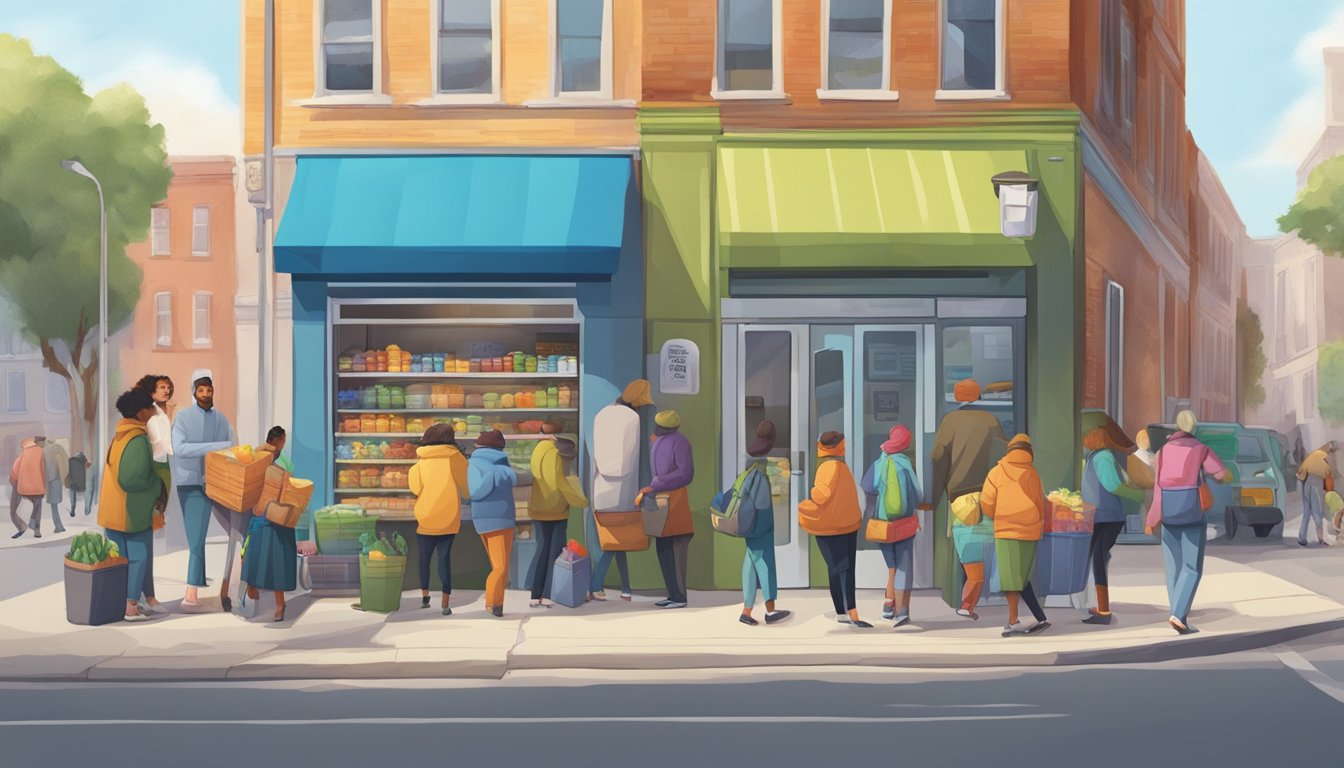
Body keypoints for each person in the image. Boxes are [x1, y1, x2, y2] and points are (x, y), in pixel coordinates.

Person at [920, 378, 1008, 620]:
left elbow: (938, 458)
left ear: (957, 398)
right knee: (990, 545)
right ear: (978, 396)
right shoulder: (991, 420)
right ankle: (984, 596)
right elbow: (1003, 452)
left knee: (965, 548)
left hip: (960, 495)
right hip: (989, 493)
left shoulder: (951, 421)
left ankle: (966, 600)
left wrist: (934, 497)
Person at [1146, 410, 1230, 635]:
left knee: (1173, 566)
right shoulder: (1200, 449)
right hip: (1191, 510)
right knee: (1191, 567)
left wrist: (1153, 516)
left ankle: (1176, 611)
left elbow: (1157, 487)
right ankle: (1179, 615)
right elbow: (1221, 474)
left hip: (1167, 511)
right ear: (1194, 428)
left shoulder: (1162, 452)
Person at [171, 369, 241, 613]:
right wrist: (217, 446)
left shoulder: (222, 420)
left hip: (219, 482)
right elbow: (179, 449)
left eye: (209, 390)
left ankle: (235, 586)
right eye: (201, 390)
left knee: (238, 531)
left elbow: (234, 447)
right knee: (197, 537)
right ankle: (191, 591)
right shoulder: (182, 418)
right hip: (191, 484)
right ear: (194, 392)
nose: (205, 394)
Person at [99, 388, 168, 622]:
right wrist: (157, 484)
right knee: (139, 557)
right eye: (150, 406)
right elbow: (131, 479)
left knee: (123, 559)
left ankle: (141, 599)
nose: (153, 409)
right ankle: (130, 606)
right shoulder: (137, 439)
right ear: (141, 413)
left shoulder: (121, 434)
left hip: (114, 509)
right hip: (131, 511)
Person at [587, 379, 654, 601]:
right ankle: (596, 585)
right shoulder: (632, 418)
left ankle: (626, 588)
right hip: (624, 488)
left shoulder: (602, 414)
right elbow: (630, 458)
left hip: (601, 486)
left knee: (617, 540)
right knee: (617, 540)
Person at [980, 433, 1050, 637]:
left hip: (1006, 529)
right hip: (1030, 530)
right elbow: (1040, 503)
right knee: (1022, 575)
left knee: (1011, 577)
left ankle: (1013, 620)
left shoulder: (997, 472)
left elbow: (987, 503)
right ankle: (1038, 616)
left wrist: (998, 516)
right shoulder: (1033, 473)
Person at [799, 431, 870, 628]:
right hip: (846, 524)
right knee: (846, 570)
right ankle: (851, 613)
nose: (845, 448)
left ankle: (843, 613)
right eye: (843, 445)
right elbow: (826, 494)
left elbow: (820, 496)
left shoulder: (827, 466)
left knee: (837, 569)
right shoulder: (837, 466)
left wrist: (808, 498)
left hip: (832, 527)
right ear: (835, 446)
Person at [1081, 416, 1146, 625]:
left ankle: (1104, 610)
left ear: (1097, 437)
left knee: (1098, 560)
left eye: (1089, 434)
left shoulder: (1102, 458)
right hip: (1100, 517)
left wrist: (1139, 497)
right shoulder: (1095, 456)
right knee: (1097, 560)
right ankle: (1099, 605)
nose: (1085, 438)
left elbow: (1112, 485)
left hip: (1107, 517)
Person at [860, 425, 922, 628]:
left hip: (883, 524)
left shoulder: (879, 463)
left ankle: (887, 609)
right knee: (904, 567)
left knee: (892, 567)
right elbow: (918, 495)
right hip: (903, 524)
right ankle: (902, 612)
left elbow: (867, 486)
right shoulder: (905, 464)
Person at [241, 427, 301, 622]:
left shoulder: (269, 459)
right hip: (267, 515)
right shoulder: (267, 459)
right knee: (266, 559)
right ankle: (271, 600)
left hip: (270, 515)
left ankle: (274, 601)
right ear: (281, 440)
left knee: (264, 558)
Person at [407, 423, 468, 615]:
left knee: (424, 558)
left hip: (425, 515)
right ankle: (445, 603)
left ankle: (425, 597)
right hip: (448, 515)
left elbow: (415, 488)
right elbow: (466, 488)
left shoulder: (420, 461)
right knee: (444, 558)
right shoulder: (455, 457)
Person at [639, 410, 695, 609]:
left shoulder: (680, 442)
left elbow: (685, 473)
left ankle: (679, 596)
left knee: (676, 549)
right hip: (663, 501)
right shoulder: (660, 441)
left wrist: (658, 482)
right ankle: (672, 594)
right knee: (663, 548)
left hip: (676, 501)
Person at [528, 431, 588, 608]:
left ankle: (535, 594)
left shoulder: (537, 450)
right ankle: (547, 594)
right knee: (555, 552)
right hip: (557, 508)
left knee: (543, 550)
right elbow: (560, 481)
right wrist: (581, 500)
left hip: (539, 506)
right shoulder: (555, 453)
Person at [738, 421, 790, 626]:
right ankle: (770, 610)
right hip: (761, 520)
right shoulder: (762, 462)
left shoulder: (750, 455)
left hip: (749, 520)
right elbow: (761, 501)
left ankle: (747, 610)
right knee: (765, 562)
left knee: (750, 564)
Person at [134, 375, 175, 616]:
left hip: (164, 468)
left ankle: (143, 594)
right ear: (150, 392)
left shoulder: (165, 412)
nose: (166, 390)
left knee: (149, 533)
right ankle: (144, 595)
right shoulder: (149, 415)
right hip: (155, 468)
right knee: (143, 538)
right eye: (162, 387)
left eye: (168, 387)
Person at [468, 430, 517, 617]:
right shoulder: (497, 466)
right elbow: (476, 490)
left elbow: (471, 492)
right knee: (501, 567)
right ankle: (493, 603)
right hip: (501, 518)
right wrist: (494, 474)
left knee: (498, 565)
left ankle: (497, 602)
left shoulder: (472, 464)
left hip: (481, 518)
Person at [1296, 441, 1337, 548]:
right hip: (1316, 483)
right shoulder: (1328, 459)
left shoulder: (1315, 453)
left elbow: (1301, 469)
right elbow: (1329, 485)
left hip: (1306, 482)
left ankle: (1302, 537)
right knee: (1317, 512)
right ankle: (1321, 537)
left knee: (1306, 512)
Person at [9, 436, 46, 539]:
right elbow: (43, 470)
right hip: (38, 486)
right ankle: (36, 530)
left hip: (24, 488)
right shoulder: (41, 452)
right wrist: (44, 486)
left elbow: (15, 471)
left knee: (21, 507)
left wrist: (13, 482)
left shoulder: (23, 455)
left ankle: (23, 526)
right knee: (37, 508)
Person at [42, 438, 69, 534]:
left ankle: (59, 526)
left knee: (54, 506)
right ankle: (59, 526)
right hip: (58, 480)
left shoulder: (45, 451)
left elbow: (45, 468)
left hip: (51, 481)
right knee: (55, 506)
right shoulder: (59, 448)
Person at [67, 450, 90, 518]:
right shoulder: (84, 461)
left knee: (72, 496)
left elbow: (69, 471)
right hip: (81, 482)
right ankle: (86, 511)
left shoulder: (70, 460)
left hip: (73, 481)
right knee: (83, 495)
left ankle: (72, 510)